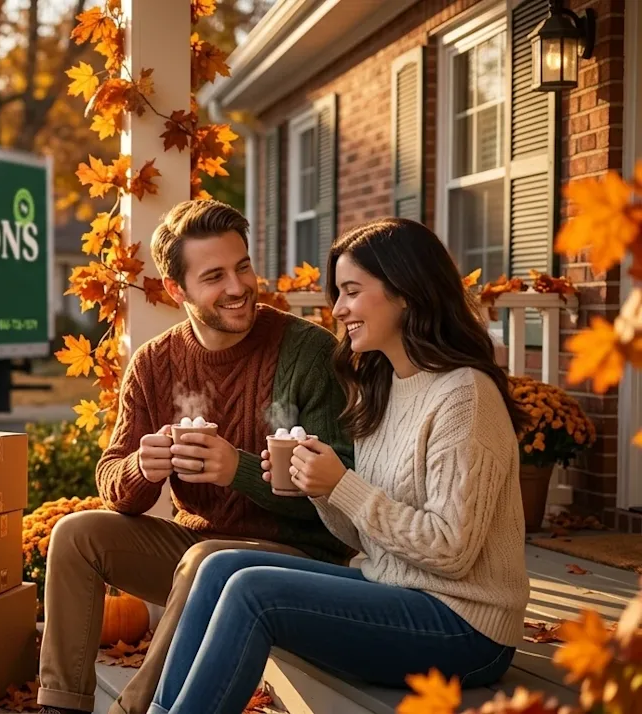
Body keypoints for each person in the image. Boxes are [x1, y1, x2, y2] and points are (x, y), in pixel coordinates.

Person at [148, 218, 531, 714]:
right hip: (393, 593)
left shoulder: (464, 396)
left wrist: (344, 485)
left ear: (406, 294)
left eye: (351, 291)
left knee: (252, 590)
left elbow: (452, 550)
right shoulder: (382, 387)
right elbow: (361, 535)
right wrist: (318, 487)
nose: (339, 309)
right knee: (221, 565)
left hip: (466, 628)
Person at [36, 199, 356, 714]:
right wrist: (142, 468)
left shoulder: (307, 352)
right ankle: (60, 705)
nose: (237, 287)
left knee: (209, 559)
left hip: (298, 560)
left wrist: (240, 471)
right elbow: (113, 477)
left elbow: (344, 494)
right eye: (214, 276)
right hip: (193, 548)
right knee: (75, 535)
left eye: (243, 266)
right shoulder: (155, 363)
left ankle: (134, 708)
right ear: (176, 289)